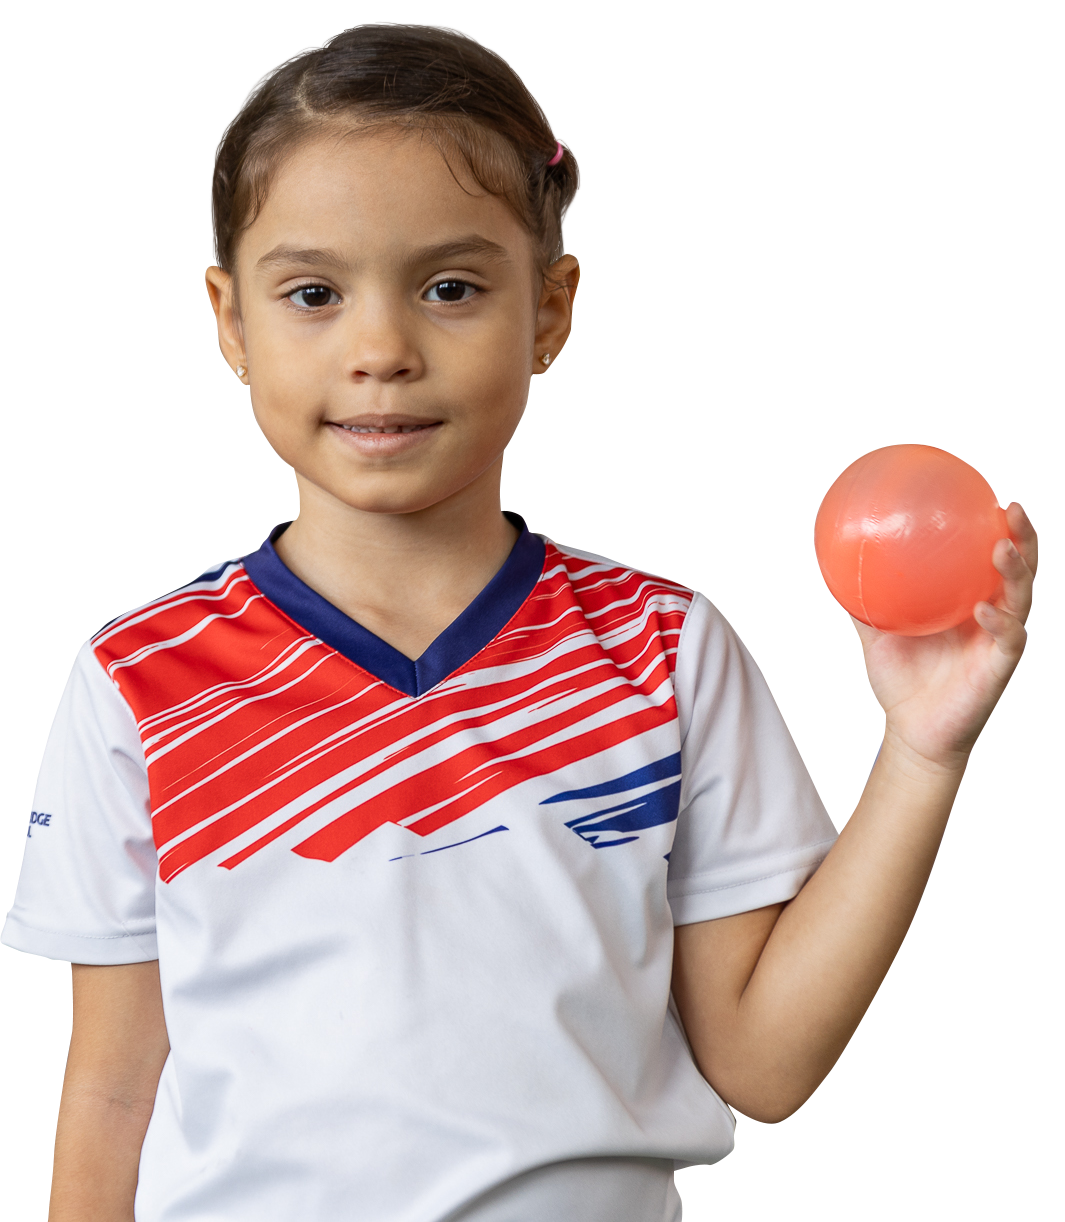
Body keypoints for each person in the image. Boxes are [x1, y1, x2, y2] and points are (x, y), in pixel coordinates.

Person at [0, 26, 1036, 1222]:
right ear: (233, 323)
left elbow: (765, 1061)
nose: (381, 349)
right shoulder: (137, 682)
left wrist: (923, 748)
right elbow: (115, 1100)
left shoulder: (671, 654)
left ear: (549, 312)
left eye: (450, 286)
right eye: (314, 293)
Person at [516, 270, 933, 1219]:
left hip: (814, 869)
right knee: (669, 1176)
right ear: (644, 367)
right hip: (643, 867)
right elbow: (511, 364)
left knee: (814, 1178)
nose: (733, 298)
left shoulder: (824, 446)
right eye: (697, 294)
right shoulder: (615, 438)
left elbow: (906, 461)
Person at [0, 222, 167, 1222]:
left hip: (78, 836)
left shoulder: (104, 486)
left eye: (42, 340)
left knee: (101, 1077)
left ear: (78, 363)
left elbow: (131, 648)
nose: (15, 365)